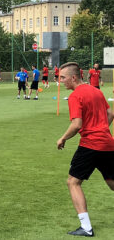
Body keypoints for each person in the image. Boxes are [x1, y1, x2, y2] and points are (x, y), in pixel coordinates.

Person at [57, 62, 114, 237]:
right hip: (108, 144)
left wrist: (63, 138)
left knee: (73, 182)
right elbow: (111, 113)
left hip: (90, 145)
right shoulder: (96, 91)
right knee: (112, 182)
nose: (60, 81)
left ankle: (86, 227)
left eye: (62, 78)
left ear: (73, 77)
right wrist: (102, 128)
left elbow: (76, 125)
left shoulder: (75, 96)